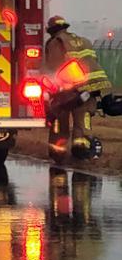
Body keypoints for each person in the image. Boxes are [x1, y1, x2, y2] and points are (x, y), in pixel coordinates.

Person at [44, 15, 113, 160]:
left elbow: (53, 67)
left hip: (68, 88)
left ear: (51, 30)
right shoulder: (84, 40)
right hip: (90, 86)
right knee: (83, 117)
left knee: (59, 116)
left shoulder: (56, 42)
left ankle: (59, 151)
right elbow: (93, 62)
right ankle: (81, 147)